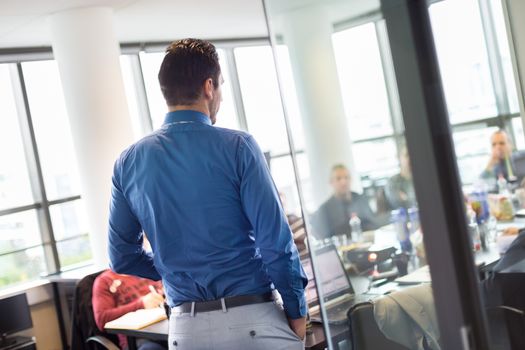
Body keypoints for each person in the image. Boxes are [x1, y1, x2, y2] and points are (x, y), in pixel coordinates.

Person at [108, 38, 307, 350]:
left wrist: (171, 266)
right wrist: (298, 311)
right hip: (253, 320)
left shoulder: (128, 162)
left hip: (186, 332)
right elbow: (276, 246)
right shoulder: (239, 147)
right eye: (222, 86)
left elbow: (122, 256)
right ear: (209, 86)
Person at [92, 269, 166, 350]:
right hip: (135, 338)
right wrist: (141, 304)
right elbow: (102, 319)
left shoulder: (148, 268)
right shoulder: (105, 281)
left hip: (164, 328)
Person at [312, 164, 380, 240]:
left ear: (351, 179)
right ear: (331, 182)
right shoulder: (325, 210)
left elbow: (374, 225)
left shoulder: (361, 199)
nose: (343, 182)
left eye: (346, 177)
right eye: (338, 179)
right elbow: (323, 239)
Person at [385, 145, 416, 209]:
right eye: (406, 155)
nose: (410, 158)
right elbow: (398, 205)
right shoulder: (392, 182)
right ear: (399, 157)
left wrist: (406, 198)